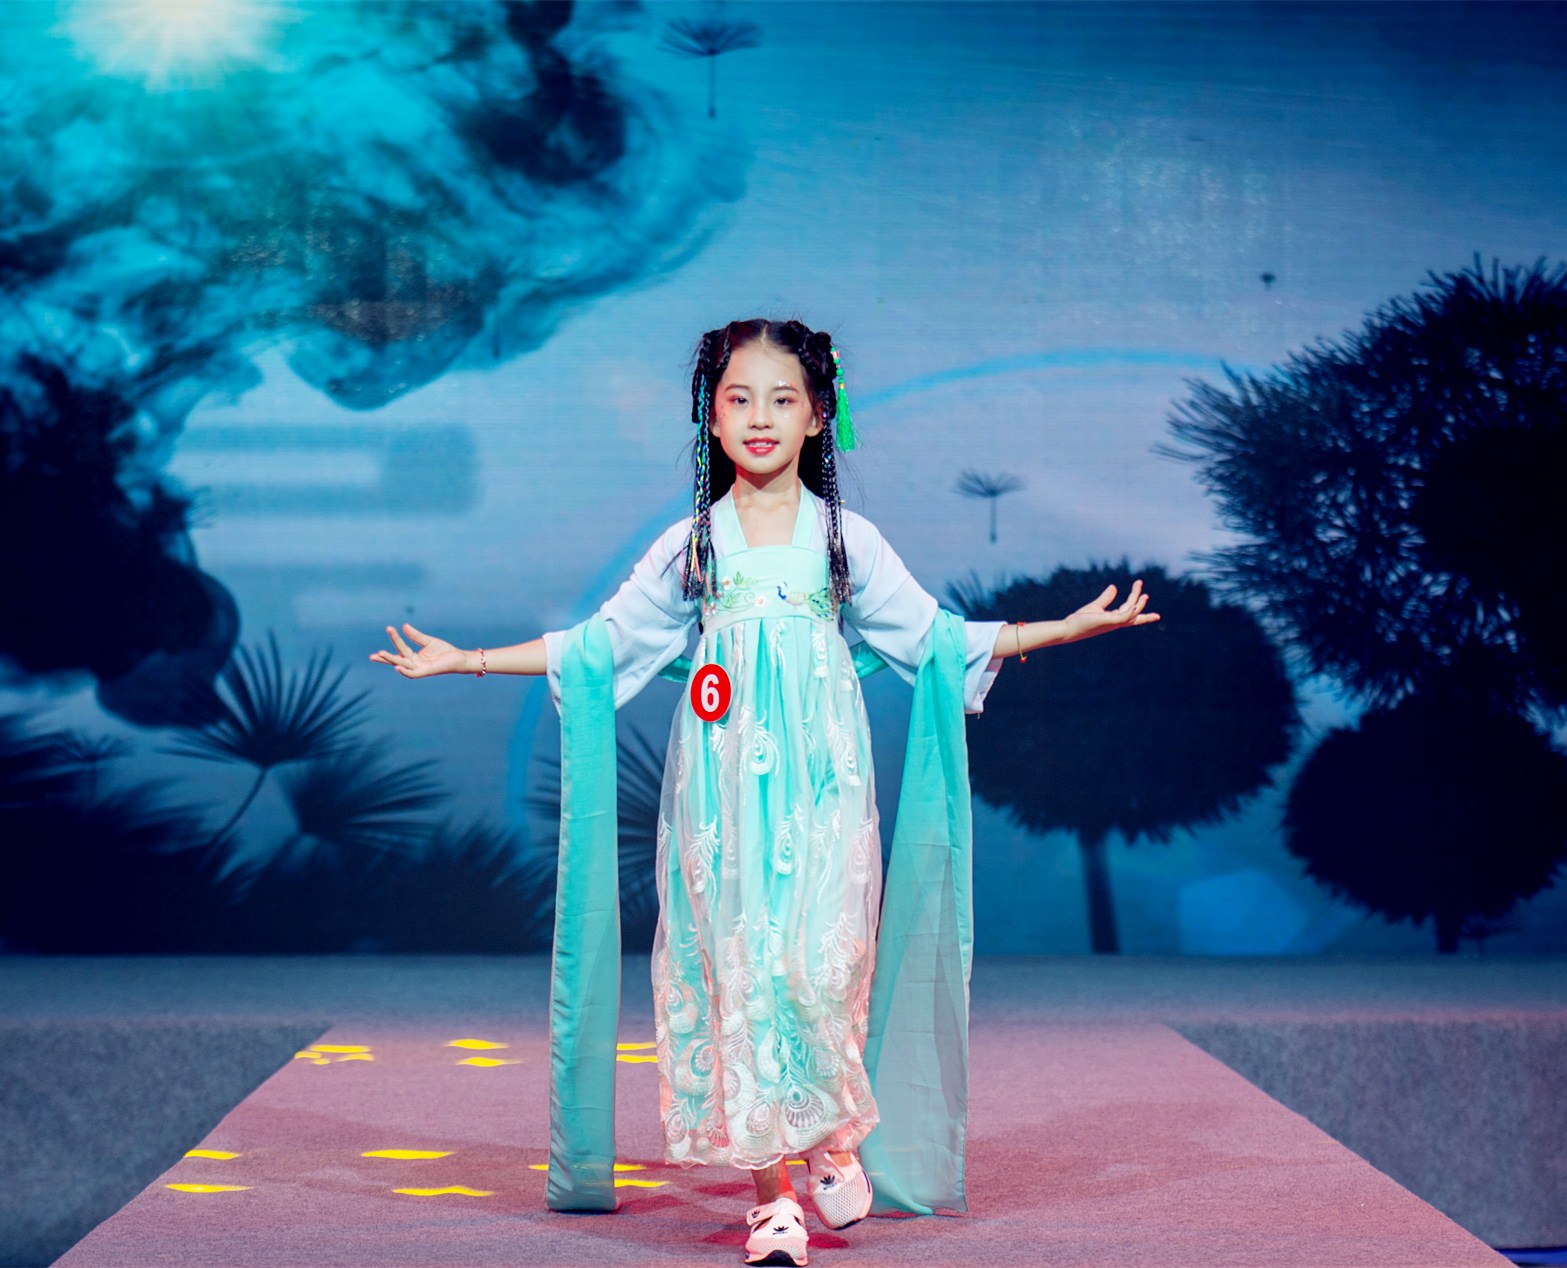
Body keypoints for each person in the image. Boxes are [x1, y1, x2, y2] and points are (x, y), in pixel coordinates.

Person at [370, 318, 1157, 1266]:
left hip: (824, 789)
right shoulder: (693, 543)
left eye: (782, 400)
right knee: (737, 970)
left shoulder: (845, 539)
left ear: (819, 416)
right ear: (710, 416)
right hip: (720, 798)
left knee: (816, 965)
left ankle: (828, 1137)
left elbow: (934, 638)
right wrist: (467, 659)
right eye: (738, 399)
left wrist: (1057, 632)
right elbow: (600, 646)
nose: (759, 417)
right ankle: (771, 1199)